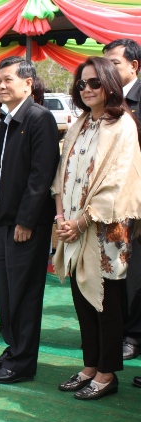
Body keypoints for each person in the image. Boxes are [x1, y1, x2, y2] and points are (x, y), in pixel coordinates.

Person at [52, 57, 141, 400]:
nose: (86, 89)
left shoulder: (123, 125)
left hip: (105, 231)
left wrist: (80, 222)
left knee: (106, 302)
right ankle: (90, 365)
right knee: (81, 299)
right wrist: (62, 218)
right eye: (82, 84)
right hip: (73, 228)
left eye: (94, 82)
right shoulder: (81, 123)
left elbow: (116, 182)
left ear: (109, 84)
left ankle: (107, 373)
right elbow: (61, 175)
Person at [0, 57, 59, 383]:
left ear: (28, 83)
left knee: (24, 296)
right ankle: (13, 350)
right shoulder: (4, 121)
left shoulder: (39, 118)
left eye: (7, 80)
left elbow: (41, 176)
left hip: (25, 225)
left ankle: (22, 363)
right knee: (7, 294)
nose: (1, 86)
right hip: (3, 220)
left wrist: (26, 221)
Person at [102, 39, 141, 365]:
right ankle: (120, 332)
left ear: (134, 66)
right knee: (117, 270)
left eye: (114, 63)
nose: (108, 70)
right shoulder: (105, 102)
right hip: (112, 206)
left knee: (136, 273)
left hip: (136, 202)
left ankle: (134, 335)